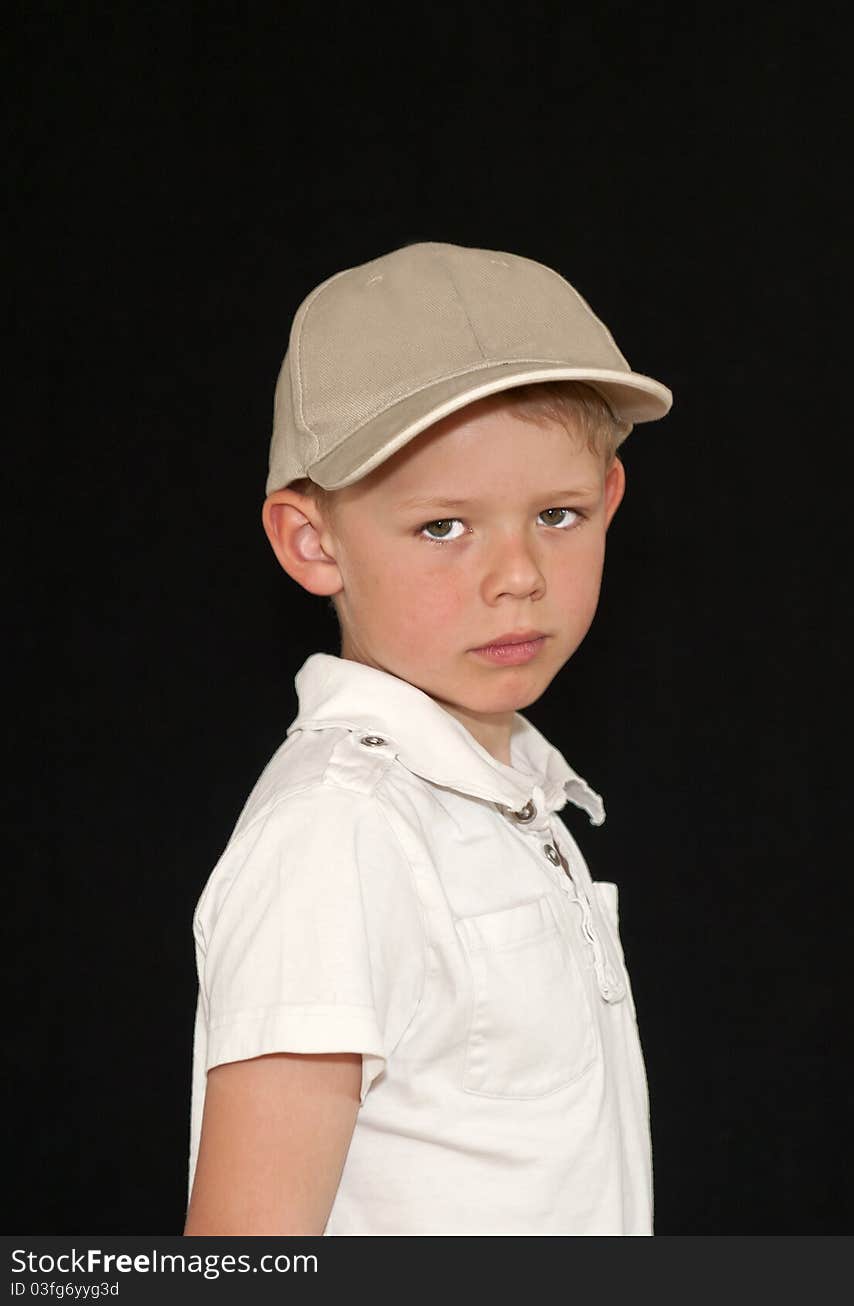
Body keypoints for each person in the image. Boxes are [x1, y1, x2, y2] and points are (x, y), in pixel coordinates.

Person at [183, 240, 673, 1236]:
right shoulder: (340, 834)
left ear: (610, 501)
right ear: (311, 542)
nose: (518, 575)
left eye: (557, 513)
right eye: (445, 526)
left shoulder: (506, 794)